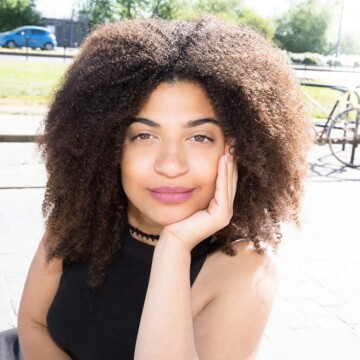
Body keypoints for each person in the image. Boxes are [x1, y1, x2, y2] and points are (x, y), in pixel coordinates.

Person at [12, 13, 312, 360]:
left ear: (238, 150)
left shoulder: (243, 269)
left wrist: (174, 248)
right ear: (108, 146)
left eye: (199, 137)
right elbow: (32, 323)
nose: (171, 165)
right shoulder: (76, 220)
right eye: (144, 135)